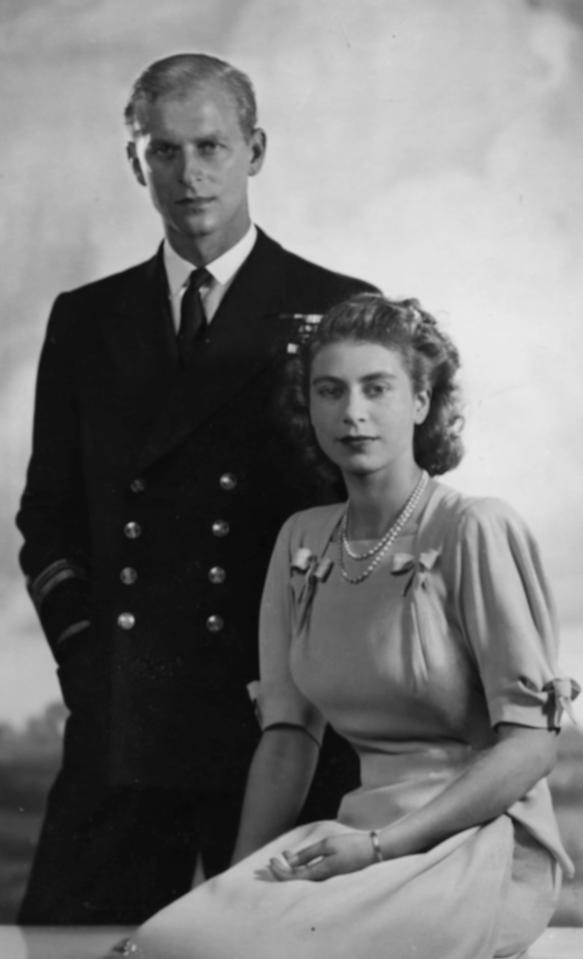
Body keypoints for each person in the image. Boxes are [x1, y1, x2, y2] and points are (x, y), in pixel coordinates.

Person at [15, 53, 378, 925]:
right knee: (69, 942)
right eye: (165, 150)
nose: (191, 174)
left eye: (211, 145)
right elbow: (48, 516)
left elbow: (378, 521)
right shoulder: (86, 318)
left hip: (285, 726)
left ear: (255, 150)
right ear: (135, 162)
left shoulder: (339, 310)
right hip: (127, 714)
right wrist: (88, 658)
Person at [115, 293, 578, 959]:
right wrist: (234, 888)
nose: (351, 412)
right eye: (329, 390)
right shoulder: (301, 541)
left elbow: (531, 747)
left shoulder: (472, 526)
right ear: (309, 405)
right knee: (170, 943)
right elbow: (286, 740)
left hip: (477, 842)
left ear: (420, 402)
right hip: (355, 837)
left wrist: (380, 846)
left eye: (376, 388)